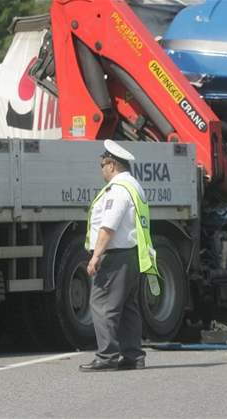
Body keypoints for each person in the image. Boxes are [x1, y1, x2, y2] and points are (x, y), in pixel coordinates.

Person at [79, 140, 159, 372]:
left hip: (115, 256)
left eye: (102, 164)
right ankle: (133, 356)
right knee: (127, 307)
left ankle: (108, 356)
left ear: (112, 165)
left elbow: (109, 226)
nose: (101, 169)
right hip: (132, 255)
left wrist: (96, 256)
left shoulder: (119, 190)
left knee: (102, 305)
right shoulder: (134, 186)